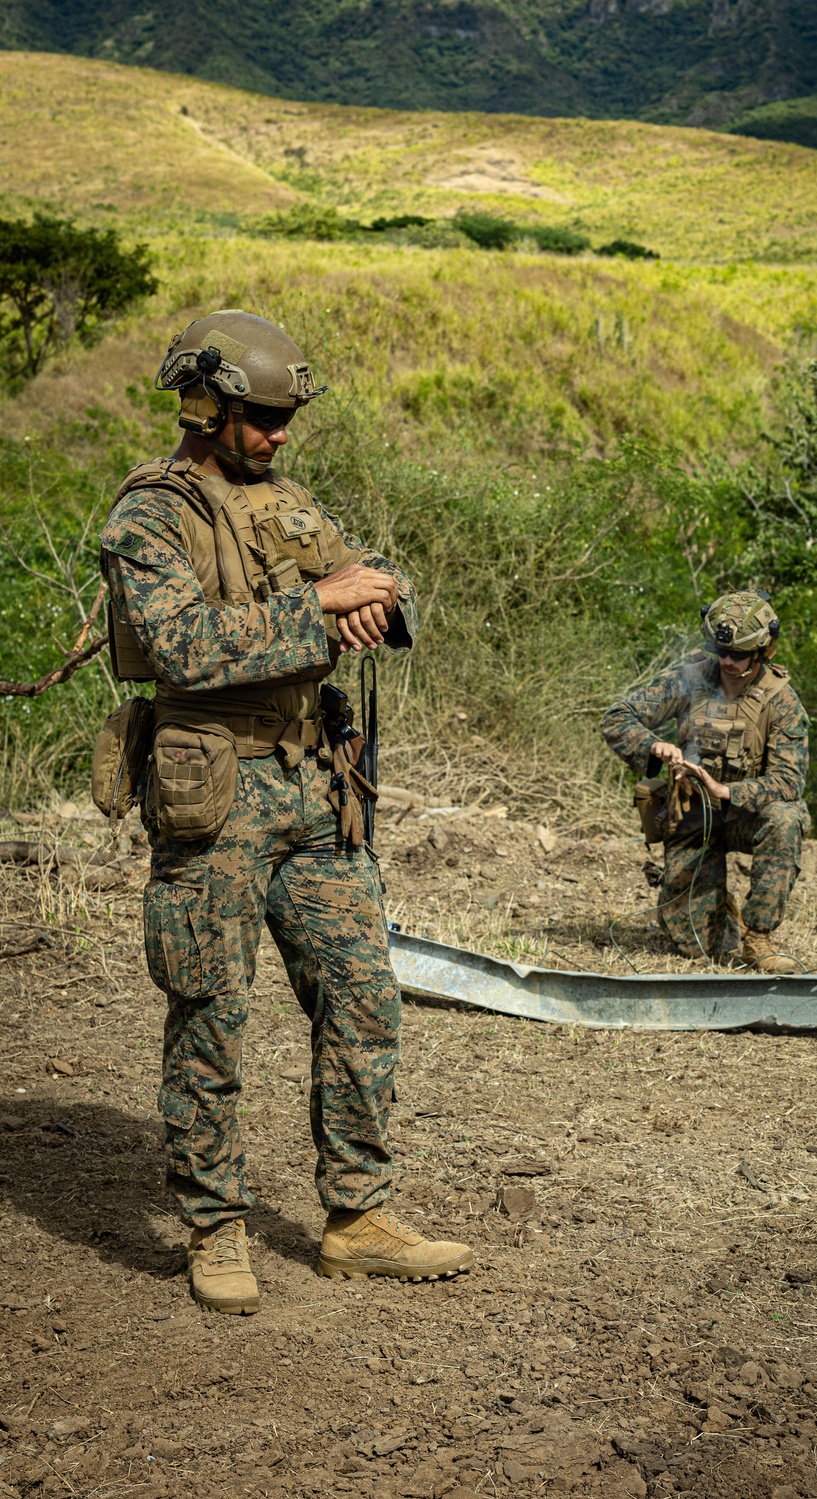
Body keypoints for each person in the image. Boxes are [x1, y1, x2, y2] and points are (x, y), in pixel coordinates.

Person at [98, 310, 472, 1314]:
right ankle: (215, 1226)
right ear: (205, 407)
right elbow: (183, 648)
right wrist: (319, 608)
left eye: (284, 417)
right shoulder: (148, 517)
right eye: (262, 417)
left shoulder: (287, 502)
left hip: (315, 789)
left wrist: (379, 596)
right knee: (212, 1015)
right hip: (213, 795)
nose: (278, 435)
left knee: (362, 998)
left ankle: (356, 1216)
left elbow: (359, 583)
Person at [601, 591, 810, 972]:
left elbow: (789, 781)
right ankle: (719, 912)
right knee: (699, 945)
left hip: (747, 815)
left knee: (787, 818)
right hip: (693, 816)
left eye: (738, 654)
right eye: (720, 651)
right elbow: (617, 717)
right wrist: (654, 745)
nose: (726, 661)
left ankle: (758, 937)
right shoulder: (690, 678)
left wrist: (727, 791)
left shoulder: (782, 701)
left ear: (763, 651)